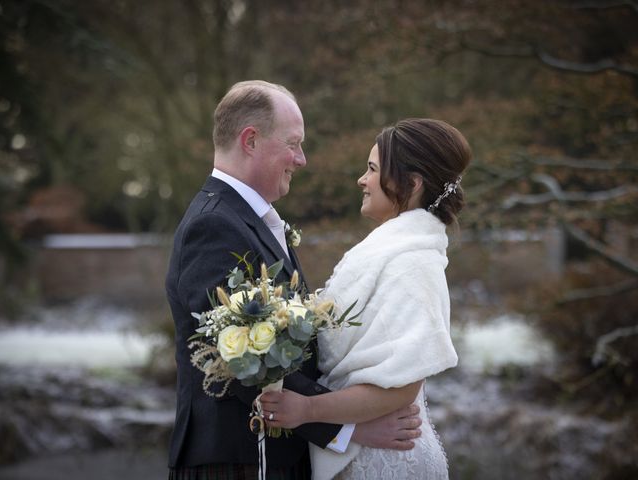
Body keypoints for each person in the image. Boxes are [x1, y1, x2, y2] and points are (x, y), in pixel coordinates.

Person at [165, 81, 423, 480]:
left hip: (273, 454)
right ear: (250, 140)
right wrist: (350, 428)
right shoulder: (213, 226)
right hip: (236, 462)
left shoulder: (247, 218)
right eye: (293, 143)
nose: (301, 159)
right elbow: (239, 363)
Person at [260, 118, 472, 479]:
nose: (362, 179)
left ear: (412, 183)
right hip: (363, 447)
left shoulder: (414, 263)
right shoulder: (389, 252)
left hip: (387, 460)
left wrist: (307, 410)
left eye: (372, 169)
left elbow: (404, 387)